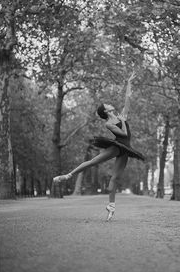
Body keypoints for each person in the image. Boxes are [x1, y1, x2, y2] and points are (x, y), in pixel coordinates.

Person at [53, 71, 145, 221]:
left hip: (126, 149)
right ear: (106, 110)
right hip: (117, 146)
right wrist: (122, 120)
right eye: (108, 105)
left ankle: (111, 206)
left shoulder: (120, 116)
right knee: (93, 161)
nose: (110, 104)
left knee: (115, 178)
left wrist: (129, 83)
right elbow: (122, 133)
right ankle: (68, 175)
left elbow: (128, 99)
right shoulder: (109, 123)